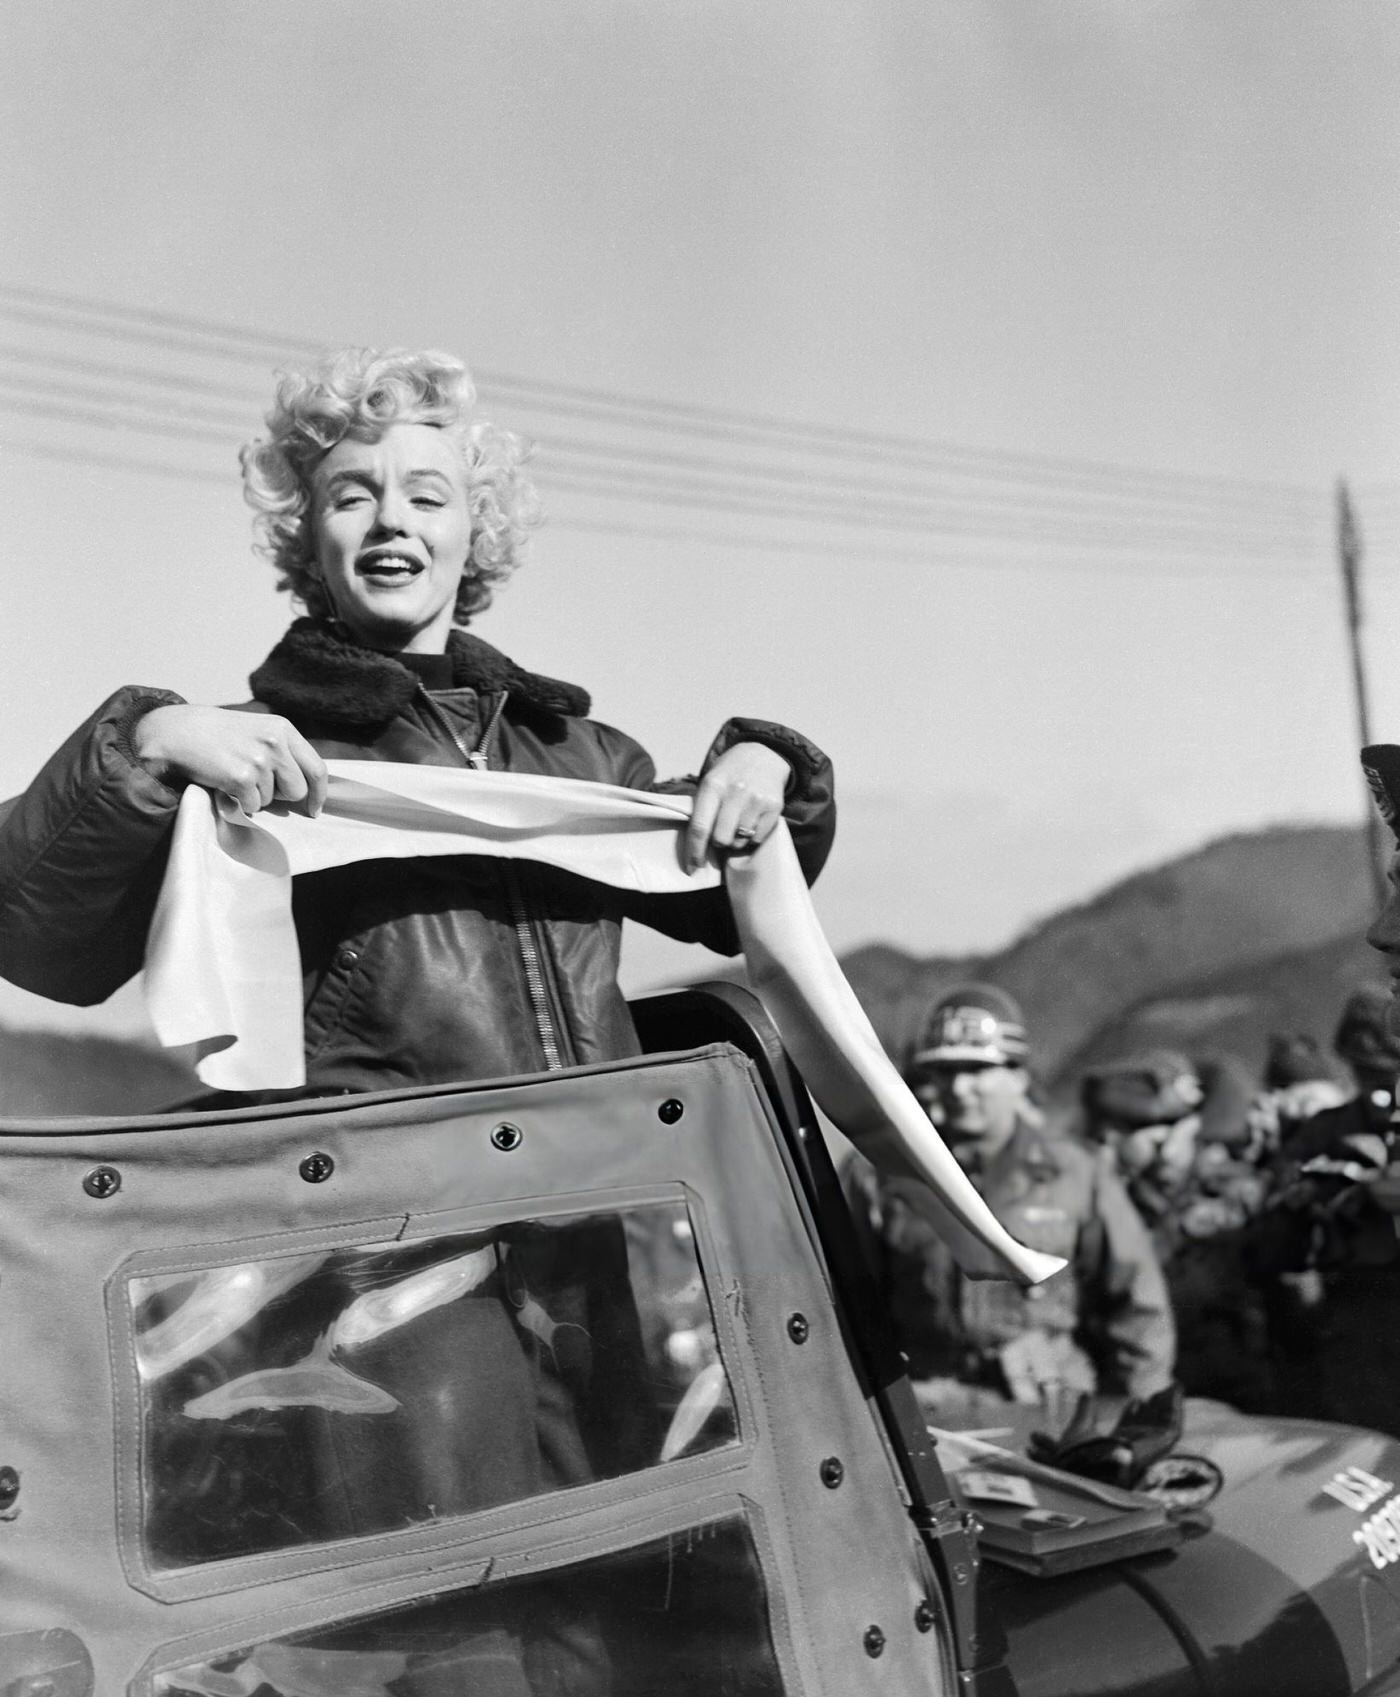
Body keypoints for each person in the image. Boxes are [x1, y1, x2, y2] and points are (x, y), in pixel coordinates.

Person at [0, 347, 838, 1694]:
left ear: (475, 531)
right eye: (353, 495)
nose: (393, 521)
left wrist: (771, 770)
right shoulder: (254, 754)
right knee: (448, 1630)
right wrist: (148, 743)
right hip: (386, 1285)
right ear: (303, 531)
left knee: (626, 1613)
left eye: (428, 494)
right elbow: (35, 927)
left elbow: (740, 899)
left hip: (606, 1257)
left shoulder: (589, 763)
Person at [844, 983, 1175, 1423]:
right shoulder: (881, 1176)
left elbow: (1136, 1307)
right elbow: (847, 1304)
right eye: (944, 1072)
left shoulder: (1078, 1172)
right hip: (927, 1420)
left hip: (1053, 1413)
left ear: (1018, 1077)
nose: (959, 1087)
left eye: (977, 1070)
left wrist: (1137, 1421)